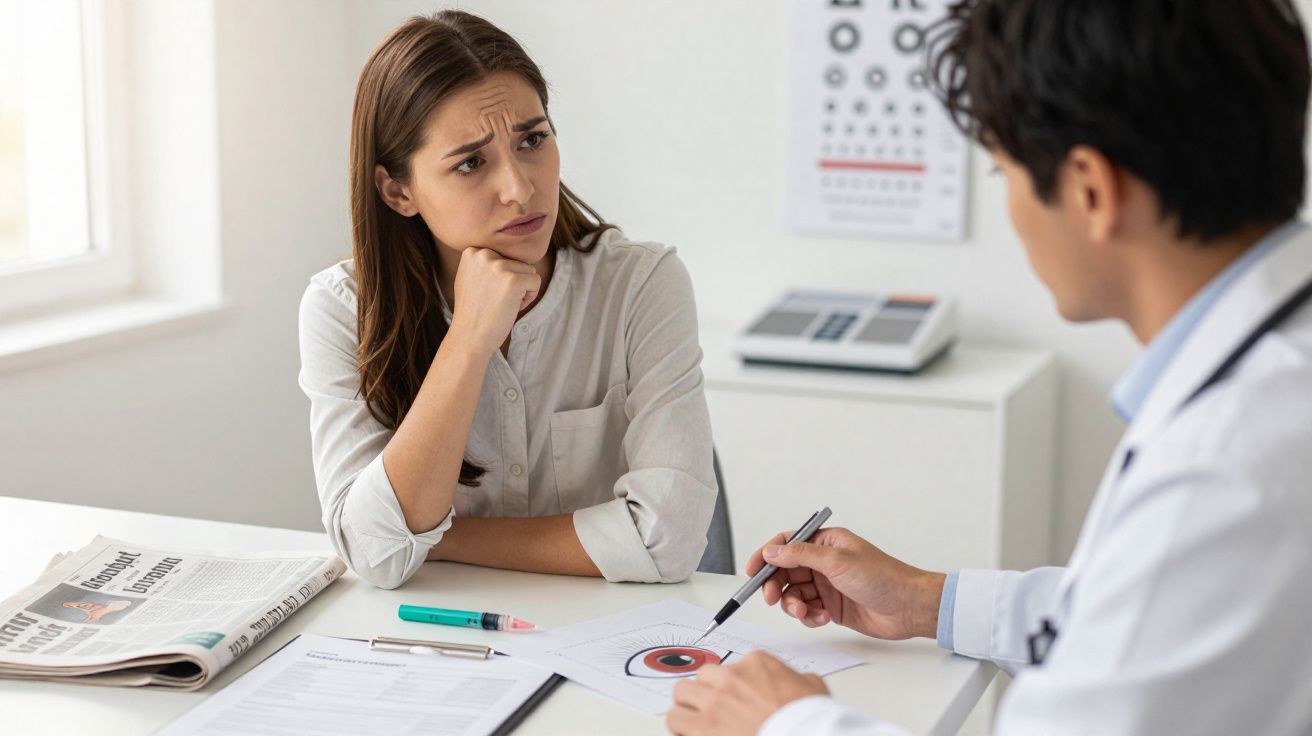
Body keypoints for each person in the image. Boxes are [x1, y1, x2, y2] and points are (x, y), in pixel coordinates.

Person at [667, 1, 1312, 734]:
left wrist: (786, 722)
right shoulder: (1270, 383)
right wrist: (927, 599)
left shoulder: (1227, 465)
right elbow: (1148, 618)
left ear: (1091, 192)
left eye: (1003, 171)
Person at [297, 11, 717, 590]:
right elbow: (373, 552)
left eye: (532, 140)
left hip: (612, 635)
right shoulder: (343, 309)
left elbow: (667, 540)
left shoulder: (642, 285)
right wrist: (468, 339)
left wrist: (440, 541)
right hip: (433, 640)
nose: (520, 188)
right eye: (470, 162)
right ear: (398, 191)